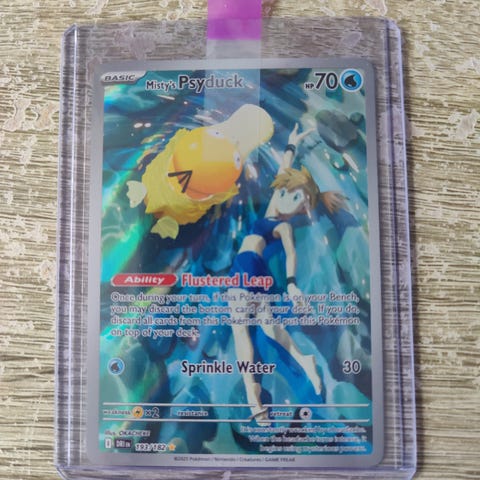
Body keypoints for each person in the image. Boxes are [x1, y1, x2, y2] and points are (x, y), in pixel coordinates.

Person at [228, 124, 346, 422]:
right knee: (268, 330)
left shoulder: (283, 226)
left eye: (296, 200)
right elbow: (284, 171)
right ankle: (304, 362)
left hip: (245, 269)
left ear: (302, 209)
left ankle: (252, 393)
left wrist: (292, 285)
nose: (284, 197)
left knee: (241, 330)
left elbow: (291, 253)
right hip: (253, 274)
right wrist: (292, 144)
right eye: (285, 192)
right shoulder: (272, 213)